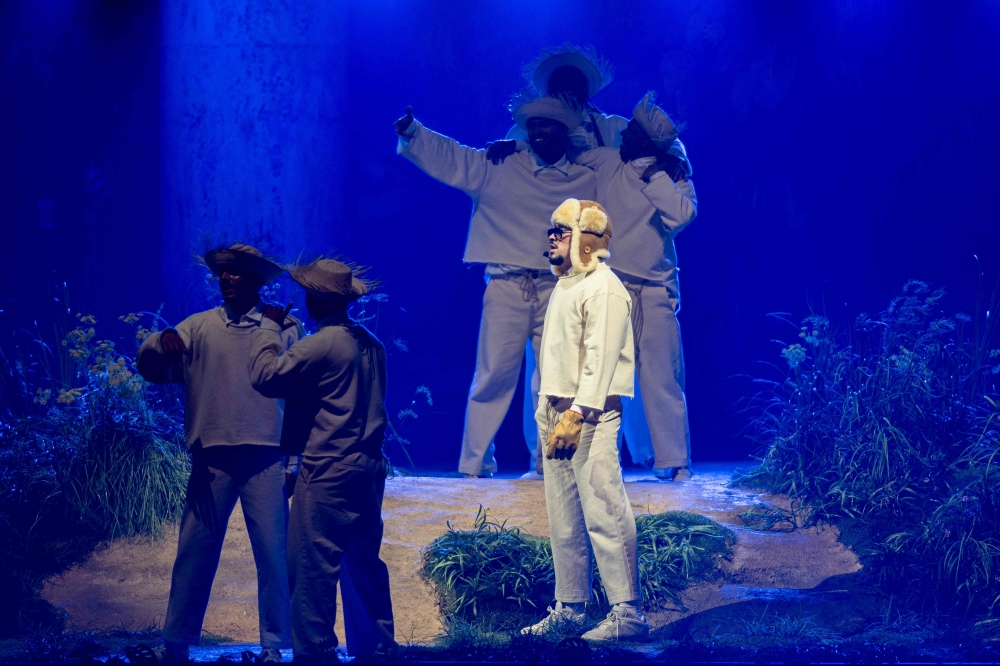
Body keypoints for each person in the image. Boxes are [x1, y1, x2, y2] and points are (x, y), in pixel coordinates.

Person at [395, 96, 596, 478]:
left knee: (555, 379)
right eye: (533, 125)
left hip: (559, 288)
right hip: (507, 284)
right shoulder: (501, 163)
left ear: (564, 131)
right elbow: (455, 158)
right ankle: (474, 464)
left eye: (547, 125)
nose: (538, 132)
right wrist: (415, 133)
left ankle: (548, 465)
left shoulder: (586, 178)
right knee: (492, 375)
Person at [136, 243, 300, 663]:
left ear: (256, 281)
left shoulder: (283, 327)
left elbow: (301, 398)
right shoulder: (198, 326)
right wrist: (162, 339)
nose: (227, 280)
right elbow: (149, 362)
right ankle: (176, 640)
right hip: (212, 457)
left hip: (266, 455)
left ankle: (274, 644)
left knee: (273, 555)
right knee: (195, 550)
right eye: (223, 274)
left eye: (237, 274)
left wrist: (295, 461)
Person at [248, 258, 395, 660]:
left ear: (315, 299)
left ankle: (315, 652)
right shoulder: (371, 343)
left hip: (329, 469)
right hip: (369, 469)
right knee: (364, 562)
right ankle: (377, 649)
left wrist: (269, 328)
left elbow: (265, 376)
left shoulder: (321, 344)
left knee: (312, 567)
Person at [522, 198, 650, 641]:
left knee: (603, 506)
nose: (552, 237)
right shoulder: (566, 285)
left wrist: (576, 414)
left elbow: (600, 358)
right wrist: (547, 408)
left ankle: (627, 612)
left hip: (588, 416)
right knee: (564, 516)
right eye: (552, 230)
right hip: (556, 412)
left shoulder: (606, 288)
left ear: (584, 240)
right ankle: (570, 606)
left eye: (561, 230)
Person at [574, 93, 697, 481]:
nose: (623, 134)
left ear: (647, 140)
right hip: (613, 286)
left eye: (631, 131)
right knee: (605, 378)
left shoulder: (668, 174)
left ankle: (674, 460)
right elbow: (571, 161)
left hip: (656, 289)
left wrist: (656, 174)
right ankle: (601, 461)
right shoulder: (608, 161)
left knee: (662, 377)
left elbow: (682, 214)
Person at [489, 44, 628, 163]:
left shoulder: (614, 127)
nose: (565, 90)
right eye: (559, 84)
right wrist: (518, 146)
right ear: (549, 91)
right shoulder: (525, 130)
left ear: (584, 89)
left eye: (572, 82)